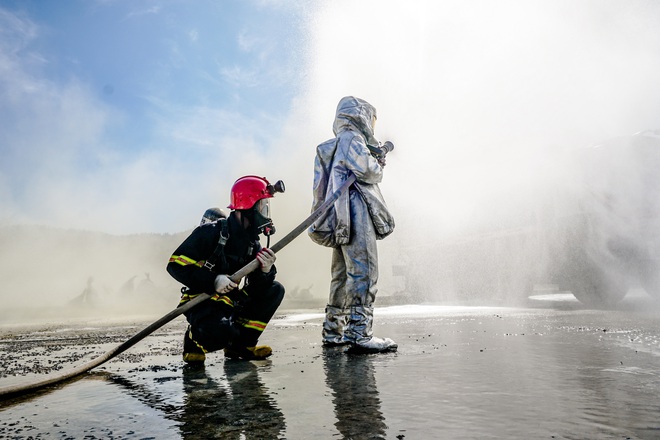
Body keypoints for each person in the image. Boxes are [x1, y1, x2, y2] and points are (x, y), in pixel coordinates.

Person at [308, 96, 397, 353]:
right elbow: (368, 172)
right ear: (361, 116)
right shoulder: (351, 139)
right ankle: (360, 333)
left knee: (340, 276)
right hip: (356, 211)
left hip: (339, 217)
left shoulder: (333, 144)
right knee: (364, 271)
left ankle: (334, 331)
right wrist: (377, 163)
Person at [167, 175, 285, 364]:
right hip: (201, 301)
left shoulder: (252, 243)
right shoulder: (210, 232)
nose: (265, 213)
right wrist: (213, 280)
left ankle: (241, 346)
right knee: (221, 331)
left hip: (230, 301)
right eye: (262, 207)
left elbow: (257, 287)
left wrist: (266, 271)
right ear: (247, 208)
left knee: (274, 290)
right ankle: (193, 342)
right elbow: (174, 265)